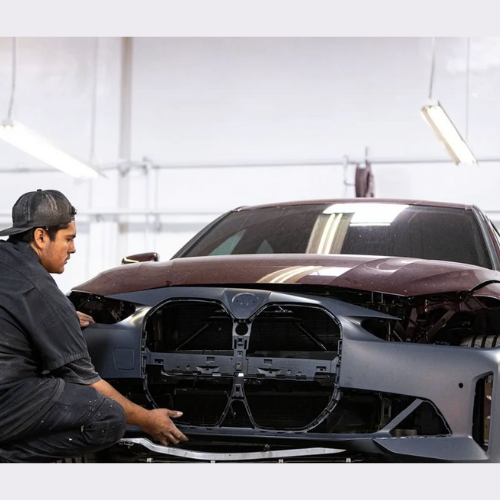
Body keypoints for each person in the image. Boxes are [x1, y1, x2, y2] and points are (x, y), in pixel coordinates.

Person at [0, 189, 188, 462]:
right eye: (69, 238)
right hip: (6, 400)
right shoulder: (41, 292)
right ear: (40, 237)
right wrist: (147, 419)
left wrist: (60, 316)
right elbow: (87, 382)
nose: (73, 249)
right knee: (108, 417)